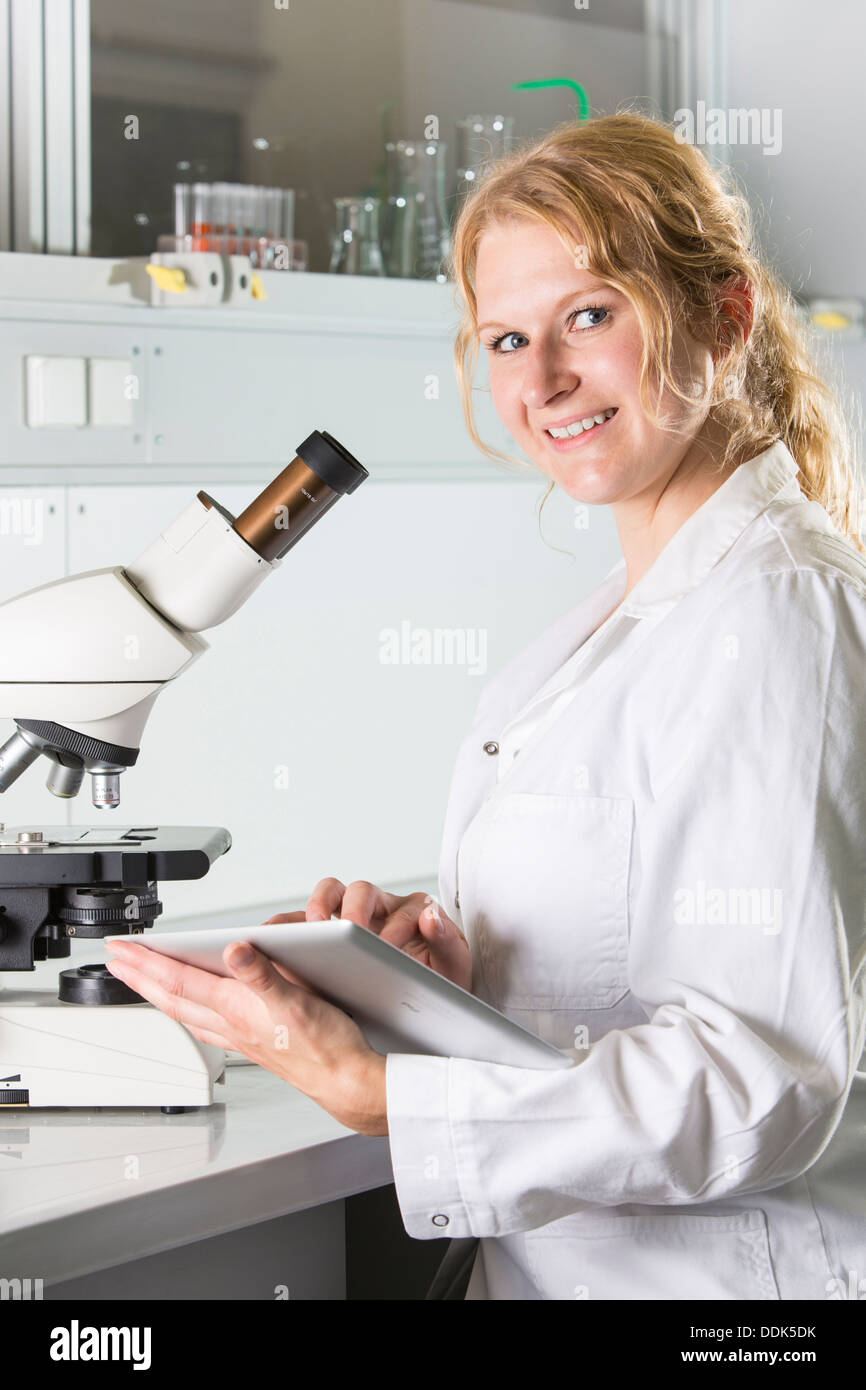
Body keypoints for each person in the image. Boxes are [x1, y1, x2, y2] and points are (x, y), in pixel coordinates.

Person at [106, 111, 866, 1301]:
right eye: (505, 337)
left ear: (724, 318)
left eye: (588, 316)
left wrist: (386, 1092)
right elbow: (624, 978)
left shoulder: (773, 615)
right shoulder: (597, 636)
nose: (543, 378)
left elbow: (762, 1083)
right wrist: (448, 982)